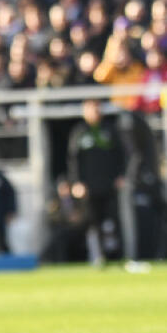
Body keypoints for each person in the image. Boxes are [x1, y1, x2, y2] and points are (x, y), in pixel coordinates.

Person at [67, 99, 126, 266]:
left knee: (114, 220)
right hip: (89, 186)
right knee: (94, 222)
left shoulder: (109, 130)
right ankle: (99, 256)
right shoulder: (80, 132)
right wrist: (76, 182)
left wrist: (121, 175)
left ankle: (119, 255)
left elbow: (121, 154)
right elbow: (73, 159)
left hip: (109, 184)